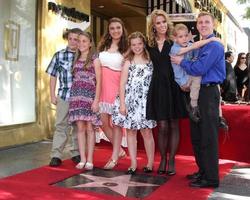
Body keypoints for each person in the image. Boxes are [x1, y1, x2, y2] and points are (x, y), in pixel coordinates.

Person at [171, 12, 225, 188]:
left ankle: (211, 178)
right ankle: (203, 171)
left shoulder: (214, 46)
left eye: (206, 22)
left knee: (208, 136)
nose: (203, 25)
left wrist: (181, 62)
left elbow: (199, 68)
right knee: (197, 136)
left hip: (208, 93)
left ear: (213, 24)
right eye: (200, 22)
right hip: (197, 93)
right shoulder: (200, 45)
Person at [146, 9, 188, 176]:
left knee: (173, 124)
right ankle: (163, 158)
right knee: (162, 125)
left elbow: (190, 55)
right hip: (157, 87)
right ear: (153, 26)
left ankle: (172, 160)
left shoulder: (174, 42)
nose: (162, 25)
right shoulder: (149, 44)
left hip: (174, 86)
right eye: (158, 23)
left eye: (164, 22)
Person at [112, 32, 156, 174]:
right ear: (130, 46)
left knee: (147, 132)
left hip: (145, 102)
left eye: (139, 44)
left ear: (144, 44)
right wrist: (123, 104)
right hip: (130, 101)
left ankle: (149, 163)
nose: (137, 47)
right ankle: (133, 163)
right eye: (134, 44)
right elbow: (122, 83)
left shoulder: (150, 60)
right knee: (131, 132)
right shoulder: (128, 61)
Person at [170, 24, 228, 131]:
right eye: (180, 37)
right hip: (183, 79)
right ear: (175, 39)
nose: (184, 39)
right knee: (197, 77)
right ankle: (193, 105)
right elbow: (194, 47)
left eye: (185, 36)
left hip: (190, 76)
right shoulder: (175, 49)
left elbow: (197, 50)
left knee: (216, 87)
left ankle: (220, 116)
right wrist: (212, 39)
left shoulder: (190, 44)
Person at [46, 28, 83, 167]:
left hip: (80, 98)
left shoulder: (84, 56)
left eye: (77, 39)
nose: (73, 42)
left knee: (78, 126)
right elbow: (53, 76)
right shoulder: (59, 55)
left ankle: (76, 153)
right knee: (61, 125)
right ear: (68, 39)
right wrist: (52, 95)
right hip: (64, 96)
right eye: (71, 39)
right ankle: (56, 155)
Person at [97, 17, 128, 169]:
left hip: (116, 89)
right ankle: (120, 150)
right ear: (108, 31)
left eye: (118, 28)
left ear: (122, 30)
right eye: (112, 28)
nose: (115, 31)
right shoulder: (102, 47)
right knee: (102, 122)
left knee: (116, 124)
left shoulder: (127, 49)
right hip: (102, 88)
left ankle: (114, 157)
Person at [68, 32, 101, 170]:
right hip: (76, 98)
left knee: (90, 128)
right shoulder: (75, 59)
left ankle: (90, 160)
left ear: (90, 43)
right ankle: (82, 159)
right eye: (79, 41)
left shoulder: (94, 58)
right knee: (80, 129)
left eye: (84, 41)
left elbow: (99, 81)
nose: (81, 44)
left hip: (89, 98)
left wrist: (96, 101)